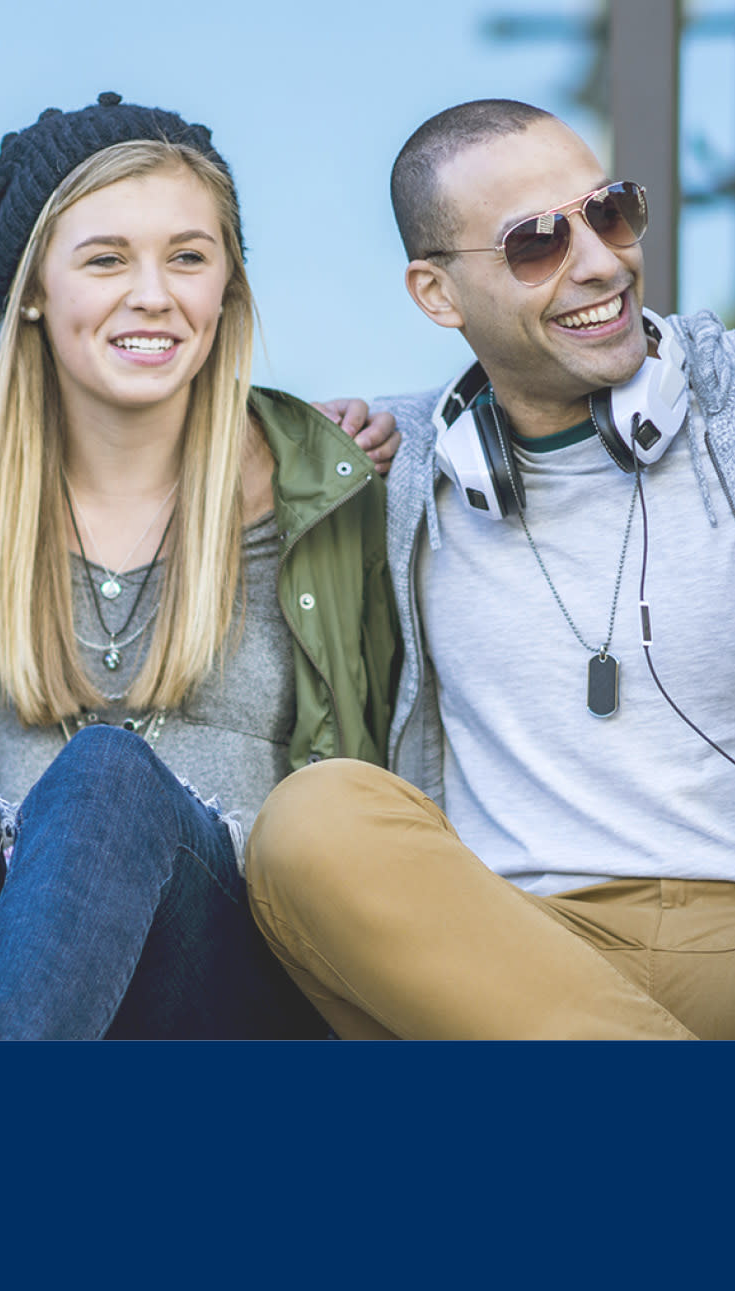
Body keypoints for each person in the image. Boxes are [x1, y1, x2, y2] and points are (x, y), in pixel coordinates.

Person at [0, 91, 400, 1041]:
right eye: (105, 259)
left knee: (108, 772)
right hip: (3, 942)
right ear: (34, 291)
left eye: (187, 256)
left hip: (237, 974)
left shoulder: (334, 488)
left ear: (227, 287)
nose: (152, 293)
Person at [241, 98, 735, 1040]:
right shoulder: (381, 465)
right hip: (505, 961)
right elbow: (138, 442)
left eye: (610, 212)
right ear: (437, 295)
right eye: (535, 242)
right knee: (313, 820)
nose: (600, 262)